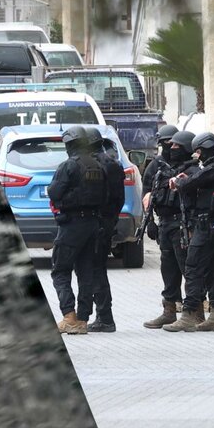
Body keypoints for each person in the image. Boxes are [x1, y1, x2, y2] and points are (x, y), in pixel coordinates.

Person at [163, 132, 214, 332]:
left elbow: (190, 183)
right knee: (211, 268)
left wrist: (178, 182)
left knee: (193, 266)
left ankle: (188, 315)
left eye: (198, 152)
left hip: (206, 224)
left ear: (204, 149)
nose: (197, 156)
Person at [48, 125, 109, 335]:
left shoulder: (68, 166)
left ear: (70, 144)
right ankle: (83, 319)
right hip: (92, 224)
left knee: (60, 271)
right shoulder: (97, 165)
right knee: (85, 272)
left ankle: (69, 317)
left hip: (72, 225)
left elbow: (54, 192)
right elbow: (105, 196)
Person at [142, 128, 196, 329]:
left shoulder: (192, 169)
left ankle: (193, 312)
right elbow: (147, 195)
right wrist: (150, 222)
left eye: (174, 144)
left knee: (187, 267)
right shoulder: (156, 166)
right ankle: (169, 310)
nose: (170, 147)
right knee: (168, 268)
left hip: (182, 224)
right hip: (165, 223)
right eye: (167, 143)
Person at [85, 127, 126, 333]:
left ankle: (105, 317)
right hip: (107, 221)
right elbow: (120, 199)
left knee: (95, 269)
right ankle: (103, 316)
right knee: (97, 268)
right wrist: (111, 219)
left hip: (95, 223)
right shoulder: (114, 163)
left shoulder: (93, 165)